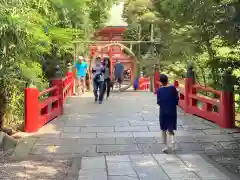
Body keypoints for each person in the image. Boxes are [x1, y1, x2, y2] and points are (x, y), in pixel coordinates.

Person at [157, 74, 179, 153]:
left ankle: (165, 146)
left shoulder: (159, 90)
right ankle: (172, 142)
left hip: (163, 111)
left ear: (161, 82)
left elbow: (159, 102)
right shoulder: (173, 88)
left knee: (163, 129)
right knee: (171, 128)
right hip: (172, 110)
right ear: (167, 80)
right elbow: (177, 99)